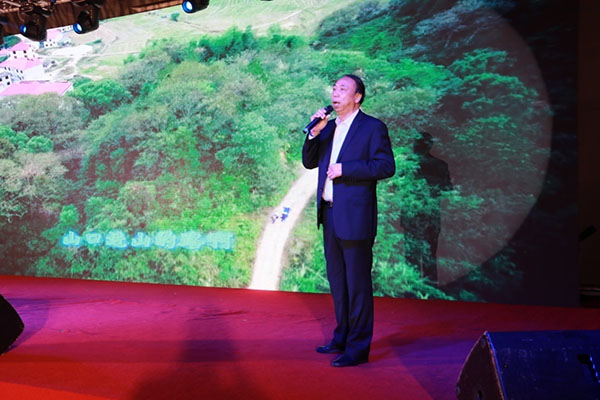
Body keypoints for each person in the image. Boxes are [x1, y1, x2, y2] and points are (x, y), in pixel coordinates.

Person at [302, 74, 395, 367]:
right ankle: (341, 337)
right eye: (334, 88)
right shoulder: (329, 127)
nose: (336, 93)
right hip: (330, 215)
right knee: (338, 283)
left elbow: (386, 166)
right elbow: (309, 162)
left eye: (343, 89)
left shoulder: (372, 127)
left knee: (357, 285)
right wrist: (314, 134)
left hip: (355, 218)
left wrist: (346, 169)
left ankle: (357, 348)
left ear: (357, 97)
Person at [400, 132, 452, 285]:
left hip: (413, 216)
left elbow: (396, 188)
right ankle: (429, 288)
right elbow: (447, 190)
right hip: (430, 216)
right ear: (430, 145)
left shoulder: (407, 164)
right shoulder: (440, 165)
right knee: (429, 254)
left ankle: (412, 288)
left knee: (412, 254)